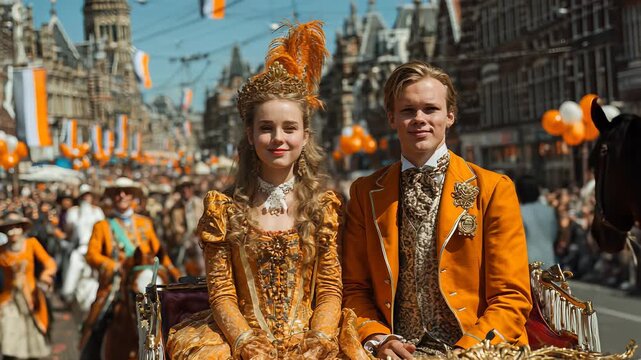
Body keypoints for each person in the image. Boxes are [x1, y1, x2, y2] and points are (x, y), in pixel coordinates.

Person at [166, 21, 367, 360]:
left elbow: (330, 289)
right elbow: (222, 293)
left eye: (289, 128)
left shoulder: (323, 208)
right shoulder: (223, 210)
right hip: (238, 344)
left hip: (311, 343)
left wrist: (318, 340)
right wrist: (246, 343)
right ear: (249, 135)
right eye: (266, 128)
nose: (278, 138)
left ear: (304, 137)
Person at [342, 61, 532, 359]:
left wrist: (468, 350)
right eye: (408, 110)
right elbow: (354, 288)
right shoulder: (365, 192)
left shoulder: (494, 189)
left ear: (450, 116)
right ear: (392, 118)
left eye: (430, 109)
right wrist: (379, 338)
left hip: (477, 350)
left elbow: (511, 297)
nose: (419, 119)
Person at [79, 177, 181, 358]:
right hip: (117, 283)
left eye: (127, 192)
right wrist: (113, 265)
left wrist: (172, 270)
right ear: (113, 197)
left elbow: (158, 252)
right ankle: (89, 352)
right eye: (118, 192)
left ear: (133, 196)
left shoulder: (145, 223)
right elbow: (91, 255)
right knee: (97, 320)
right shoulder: (102, 226)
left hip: (146, 279)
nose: (122, 195)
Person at [0, 212, 57, 359]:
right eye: (9, 228)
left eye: (16, 227)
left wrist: (46, 275)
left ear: (21, 228)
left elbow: (49, 262)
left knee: (34, 335)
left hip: (31, 297)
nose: (13, 232)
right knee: (8, 332)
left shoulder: (31, 243)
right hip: (9, 300)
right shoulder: (1, 251)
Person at [61, 184, 105, 310]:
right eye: (84, 195)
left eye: (88, 195)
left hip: (95, 249)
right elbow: (68, 231)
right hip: (79, 248)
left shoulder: (97, 211)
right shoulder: (74, 212)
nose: (86, 198)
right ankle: (68, 296)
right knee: (72, 269)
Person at [515, 175, 557, 267]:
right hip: (548, 259)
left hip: (527, 262)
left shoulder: (517, 212)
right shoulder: (549, 210)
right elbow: (553, 236)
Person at [166, 176, 204, 276]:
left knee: (202, 260)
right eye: (182, 187)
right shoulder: (175, 208)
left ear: (192, 188)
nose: (185, 190)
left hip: (200, 239)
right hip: (183, 240)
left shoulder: (200, 203)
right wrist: (183, 236)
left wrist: (198, 234)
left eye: (188, 187)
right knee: (179, 262)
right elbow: (175, 227)